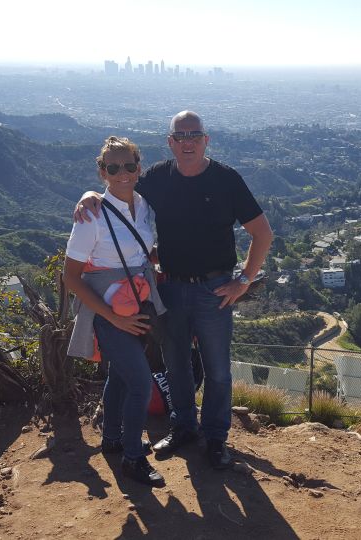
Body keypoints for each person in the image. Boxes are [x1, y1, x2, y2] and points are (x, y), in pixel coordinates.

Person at [74, 111, 273, 469]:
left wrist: (243, 281)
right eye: (180, 136)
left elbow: (263, 233)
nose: (188, 142)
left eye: (195, 135)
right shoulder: (157, 179)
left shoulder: (226, 179)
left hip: (215, 288)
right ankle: (184, 426)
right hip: (170, 287)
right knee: (176, 362)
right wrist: (90, 194)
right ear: (170, 142)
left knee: (217, 369)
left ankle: (215, 438)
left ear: (206, 140)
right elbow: (119, 187)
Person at [63, 136, 165, 487]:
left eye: (129, 166)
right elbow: (71, 278)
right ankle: (133, 459)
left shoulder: (144, 206)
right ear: (102, 171)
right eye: (113, 168)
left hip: (136, 304)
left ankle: (112, 439)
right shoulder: (90, 215)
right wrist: (113, 318)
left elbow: (143, 253)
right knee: (139, 381)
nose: (122, 173)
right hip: (109, 311)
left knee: (121, 376)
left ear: (139, 167)